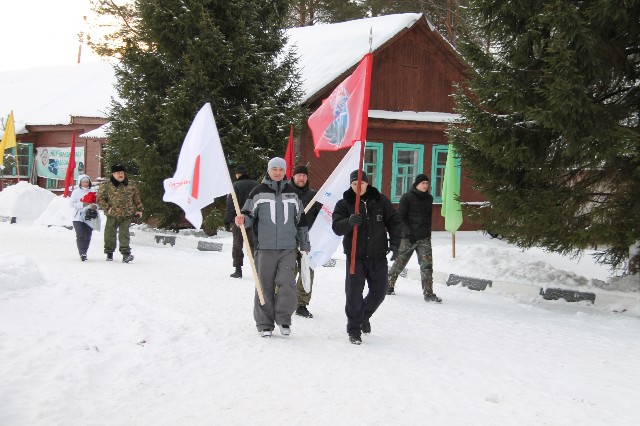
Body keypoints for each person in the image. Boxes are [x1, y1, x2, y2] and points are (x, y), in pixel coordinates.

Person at [235, 157, 310, 338]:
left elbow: (301, 221)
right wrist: (243, 220)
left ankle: (284, 319)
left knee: (287, 284)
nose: (277, 172)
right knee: (264, 286)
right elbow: (248, 215)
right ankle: (264, 323)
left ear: (285, 172)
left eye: (281, 169)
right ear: (268, 171)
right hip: (264, 247)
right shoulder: (258, 192)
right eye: (274, 169)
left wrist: (305, 244)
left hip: (288, 248)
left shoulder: (293, 193)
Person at [332, 170, 401, 345]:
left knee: (380, 292)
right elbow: (336, 227)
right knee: (354, 294)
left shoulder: (380, 201)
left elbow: (394, 222)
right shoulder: (344, 203)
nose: (358, 187)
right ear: (351, 184)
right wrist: (349, 222)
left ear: (367, 183)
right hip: (355, 256)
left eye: (361, 183)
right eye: (354, 184)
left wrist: (395, 244)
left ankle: (363, 316)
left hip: (378, 255)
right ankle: (354, 330)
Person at [387, 174, 442, 303]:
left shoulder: (429, 198)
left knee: (427, 266)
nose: (425, 185)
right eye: (423, 183)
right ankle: (388, 285)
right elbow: (399, 217)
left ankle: (428, 294)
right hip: (408, 238)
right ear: (416, 184)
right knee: (400, 263)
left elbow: (427, 218)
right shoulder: (407, 197)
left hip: (424, 238)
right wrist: (407, 232)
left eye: (427, 183)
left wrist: (427, 234)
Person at [291, 164, 322, 318]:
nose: (301, 178)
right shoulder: (285, 193)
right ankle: (280, 299)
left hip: (307, 240)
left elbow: (321, 217)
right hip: (288, 239)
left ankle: (301, 304)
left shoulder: (314, 196)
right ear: (293, 176)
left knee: (307, 271)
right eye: (299, 175)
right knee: (286, 271)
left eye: (304, 175)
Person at [97, 164, 143, 263]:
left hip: (127, 213)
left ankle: (126, 254)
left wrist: (139, 209)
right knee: (109, 234)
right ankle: (109, 253)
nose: (121, 174)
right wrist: (107, 208)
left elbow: (136, 197)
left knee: (124, 234)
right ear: (113, 174)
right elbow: (100, 199)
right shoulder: (106, 184)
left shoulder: (130, 183)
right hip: (112, 214)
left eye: (122, 172)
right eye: (118, 173)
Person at [224, 164, 259, 278]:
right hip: (253, 220)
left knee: (237, 245)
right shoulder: (256, 185)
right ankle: (258, 269)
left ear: (237, 174)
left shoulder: (235, 186)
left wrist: (227, 220)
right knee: (254, 245)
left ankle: (238, 270)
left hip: (238, 220)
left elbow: (230, 205)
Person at [69, 174, 98, 261]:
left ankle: (85, 251)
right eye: (83, 182)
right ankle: (82, 252)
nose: (85, 184)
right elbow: (71, 204)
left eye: (87, 182)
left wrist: (94, 206)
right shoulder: (76, 192)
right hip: (78, 218)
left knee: (87, 236)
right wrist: (82, 204)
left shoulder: (93, 191)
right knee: (80, 235)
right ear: (80, 183)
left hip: (89, 216)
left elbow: (97, 203)